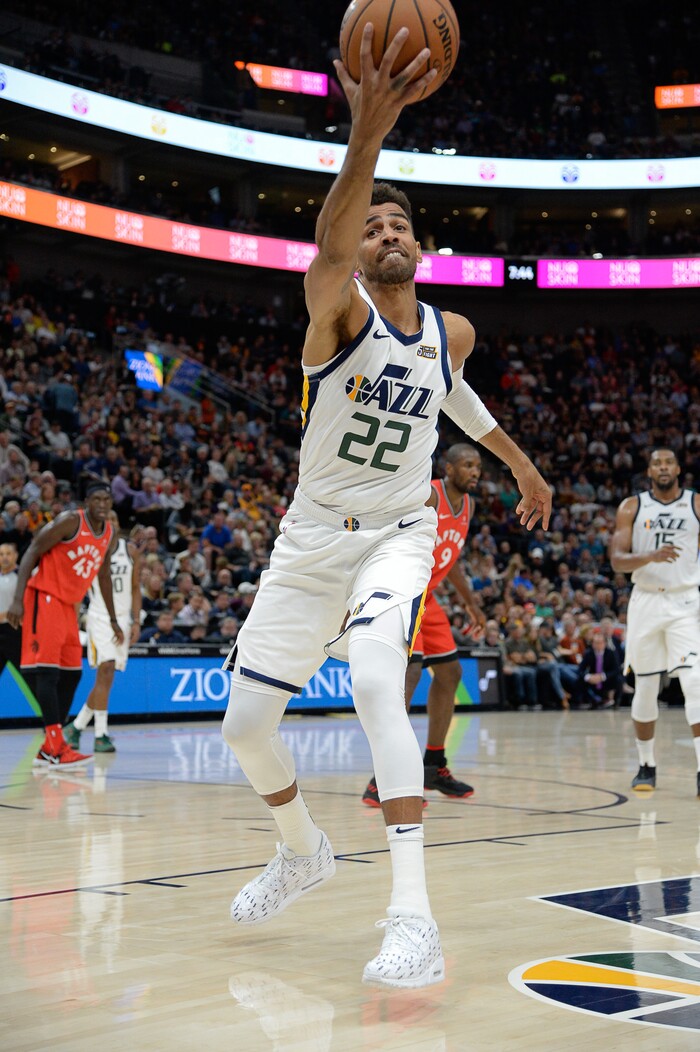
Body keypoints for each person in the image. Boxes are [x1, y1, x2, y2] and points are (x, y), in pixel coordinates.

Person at [221, 26, 551, 990]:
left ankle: (414, 919)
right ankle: (301, 851)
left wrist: (524, 470)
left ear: (423, 245)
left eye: (400, 224)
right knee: (244, 728)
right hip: (309, 537)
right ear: (357, 255)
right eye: (372, 228)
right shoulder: (338, 311)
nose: (386, 234)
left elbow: (461, 402)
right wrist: (365, 132)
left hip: (398, 536)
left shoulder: (454, 331)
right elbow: (329, 244)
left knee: (375, 678)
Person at [362, 443, 486, 807]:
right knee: (410, 675)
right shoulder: (428, 495)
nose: (475, 472)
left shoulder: (468, 506)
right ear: (448, 468)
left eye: (478, 466)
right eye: (467, 465)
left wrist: (470, 602)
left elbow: (451, 557)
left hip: (427, 597)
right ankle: (383, 778)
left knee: (450, 673)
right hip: (404, 591)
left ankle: (433, 766)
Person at [7, 481, 122, 767]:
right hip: (44, 596)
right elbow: (33, 550)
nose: (102, 504)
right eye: (96, 499)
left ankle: (51, 746)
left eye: (106, 500)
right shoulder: (71, 521)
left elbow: (104, 576)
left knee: (72, 674)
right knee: (47, 672)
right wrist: (18, 600)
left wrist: (113, 618)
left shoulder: (109, 533)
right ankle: (56, 745)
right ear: (86, 501)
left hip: (70, 606)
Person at [609, 448, 700, 794]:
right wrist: (651, 556)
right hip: (646, 601)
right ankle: (646, 766)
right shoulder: (632, 507)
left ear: (678, 469)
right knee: (646, 686)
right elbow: (617, 560)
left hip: (684, 600)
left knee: (695, 682)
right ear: (649, 471)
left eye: (668, 463)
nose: (663, 467)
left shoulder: (695, 504)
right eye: (657, 463)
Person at [64, 517, 142, 754]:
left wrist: (136, 621)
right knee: (106, 668)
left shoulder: (130, 551)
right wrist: (72, 621)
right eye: (106, 519)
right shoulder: (91, 551)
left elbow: (135, 588)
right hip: (99, 617)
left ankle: (76, 727)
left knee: (105, 678)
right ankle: (100, 734)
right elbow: (78, 589)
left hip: (123, 619)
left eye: (113, 518)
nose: (110, 522)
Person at [576, 629, 622, 710]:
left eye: (600, 643)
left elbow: (616, 669)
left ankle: (615, 702)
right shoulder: (588, 653)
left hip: (606, 679)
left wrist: (603, 676)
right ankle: (589, 701)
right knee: (579, 680)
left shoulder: (611, 653)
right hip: (593, 679)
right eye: (596, 643)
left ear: (605, 643)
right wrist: (588, 677)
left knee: (619, 679)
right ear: (592, 644)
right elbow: (580, 670)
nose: (598, 645)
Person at [0, 541, 21, 677]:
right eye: (1, 554)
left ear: (15, 556)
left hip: (15, 631)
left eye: (8, 554)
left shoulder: (21, 577)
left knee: (27, 675)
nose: (5, 557)